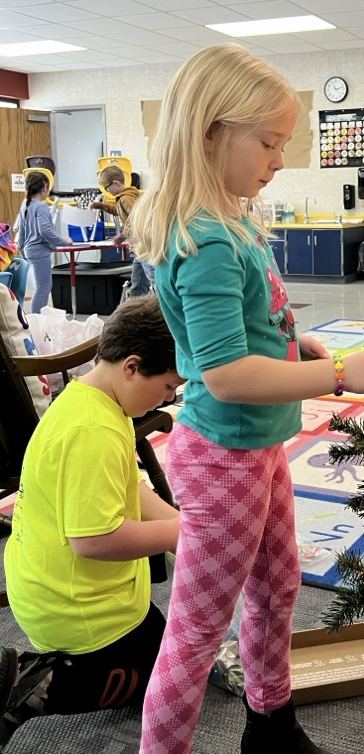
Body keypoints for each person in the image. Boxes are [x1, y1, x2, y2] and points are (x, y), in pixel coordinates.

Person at [128, 43, 364, 754]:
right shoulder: (211, 239)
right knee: (195, 631)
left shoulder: (238, 219)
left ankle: (270, 723)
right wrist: (338, 373)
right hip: (222, 459)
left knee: (279, 587)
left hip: (259, 449)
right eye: (269, 141)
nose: (280, 158)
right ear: (211, 132)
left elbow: (258, 329)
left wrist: (301, 346)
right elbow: (225, 375)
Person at [0, 295, 182, 748]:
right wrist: (192, 534)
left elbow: (130, 489)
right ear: (132, 367)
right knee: (161, 681)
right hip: (73, 605)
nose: (171, 398)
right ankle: (27, 681)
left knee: (169, 646)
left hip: (65, 584)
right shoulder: (93, 430)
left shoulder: (96, 401)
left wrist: (185, 525)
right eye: (167, 388)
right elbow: (95, 539)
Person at [89, 166, 154, 297]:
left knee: (155, 281)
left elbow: (137, 219)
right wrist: (101, 206)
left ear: (116, 184)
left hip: (142, 247)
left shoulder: (126, 198)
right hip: (139, 249)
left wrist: (122, 235)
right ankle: (136, 310)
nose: (107, 192)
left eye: (106, 188)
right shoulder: (127, 196)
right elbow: (118, 210)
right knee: (138, 284)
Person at [16, 170, 72, 314]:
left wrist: (23, 251)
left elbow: (21, 233)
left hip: (29, 250)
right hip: (39, 251)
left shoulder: (26, 205)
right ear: (45, 188)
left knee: (41, 287)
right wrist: (63, 241)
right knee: (43, 287)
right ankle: (37, 320)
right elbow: (45, 231)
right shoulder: (41, 207)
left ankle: (37, 318)